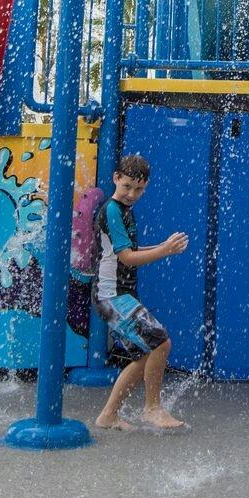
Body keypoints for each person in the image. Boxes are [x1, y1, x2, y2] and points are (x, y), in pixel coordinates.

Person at [91, 154, 189, 432]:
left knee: (145, 354)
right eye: (127, 187)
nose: (132, 194)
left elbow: (129, 250)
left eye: (139, 189)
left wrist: (161, 245)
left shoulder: (124, 209)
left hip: (115, 295)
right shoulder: (112, 210)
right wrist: (164, 251)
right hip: (112, 296)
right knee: (161, 342)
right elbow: (126, 258)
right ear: (116, 178)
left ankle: (108, 415)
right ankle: (152, 409)